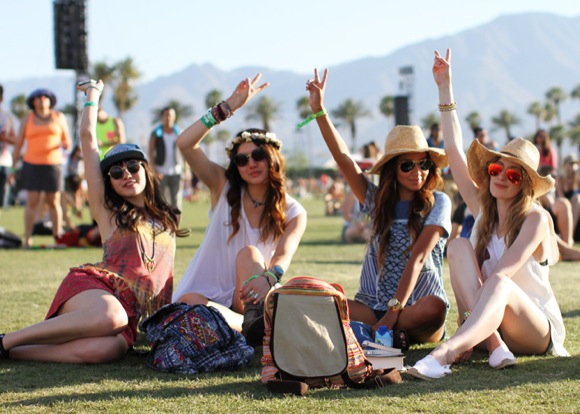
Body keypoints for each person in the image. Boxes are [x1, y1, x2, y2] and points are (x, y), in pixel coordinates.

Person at [408, 49, 569, 381]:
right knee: (457, 246)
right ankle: (495, 346)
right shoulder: (484, 210)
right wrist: (445, 87)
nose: (500, 177)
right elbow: (453, 151)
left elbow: (503, 275)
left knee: (499, 280)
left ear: (525, 184)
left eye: (512, 174)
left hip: (534, 329)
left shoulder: (536, 219)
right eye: (497, 168)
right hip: (490, 324)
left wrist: (466, 320)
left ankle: (444, 354)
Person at [0, 80, 187, 363]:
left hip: (127, 316)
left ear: (146, 171)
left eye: (133, 166)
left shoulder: (170, 218)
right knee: (112, 315)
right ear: (109, 182)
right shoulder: (107, 211)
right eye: (116, 172)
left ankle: (13, 352)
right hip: (96, 290)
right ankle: (6, 340)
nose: (126, 174)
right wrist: (93, 95)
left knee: (107, 350)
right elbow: (88, 140)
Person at [305, 68, 452, 349]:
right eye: (407, 165)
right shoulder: (376, 201)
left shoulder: (439, 202)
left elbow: (419, 257)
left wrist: (394, 312)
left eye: (423, 164)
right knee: (322, 299)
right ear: (393, 169)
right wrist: (319, 110)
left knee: (435, 307)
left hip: (415, 307)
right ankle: (388, 333)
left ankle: (378, 331)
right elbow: (344, 160)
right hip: (373, 307)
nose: (417, 172)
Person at [172, 74, 307, 347]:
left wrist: (270, 277)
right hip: (212, 300)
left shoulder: (294, 211)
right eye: (242, 160)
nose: (251, 164)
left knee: (250, 254)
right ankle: (253, 328)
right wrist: (227, 108)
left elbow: (283, 255)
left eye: (258, 156)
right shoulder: (222, 187)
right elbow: (185, 143)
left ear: (272, 158)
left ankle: (253, 322)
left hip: (253, 294)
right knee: (189, 303)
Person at [11, 88, 71, 248]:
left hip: (53, 164)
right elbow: (18, 144)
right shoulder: (27, 119)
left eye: (45, 96)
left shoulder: (59, 117)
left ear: (50, 101)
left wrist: (65, 145)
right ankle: (27, 239)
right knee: (32, 201)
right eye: (38, 97)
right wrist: (12, 167)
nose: (42, 99)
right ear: (33, 102)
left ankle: (58, 237)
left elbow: (67, 141)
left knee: (54, 201)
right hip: (32, 164)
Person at [148, 106, 184, 211]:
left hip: (176, 171)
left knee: (176, 203)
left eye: (171, 115)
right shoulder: (156, 133)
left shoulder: (179, 132)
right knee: (161, 202)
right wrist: (154, 170)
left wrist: (186, 171)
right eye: (167, 115)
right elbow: (151, 152)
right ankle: (163, 221)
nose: (169, 118)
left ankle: (176, 221)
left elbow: (185, 152)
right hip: (161, 172)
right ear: (162, 117)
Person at [0, 84, 17, 207]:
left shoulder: (7, 117)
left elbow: (15, 140)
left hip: (4, 162)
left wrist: (4, 138)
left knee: (2, 198)